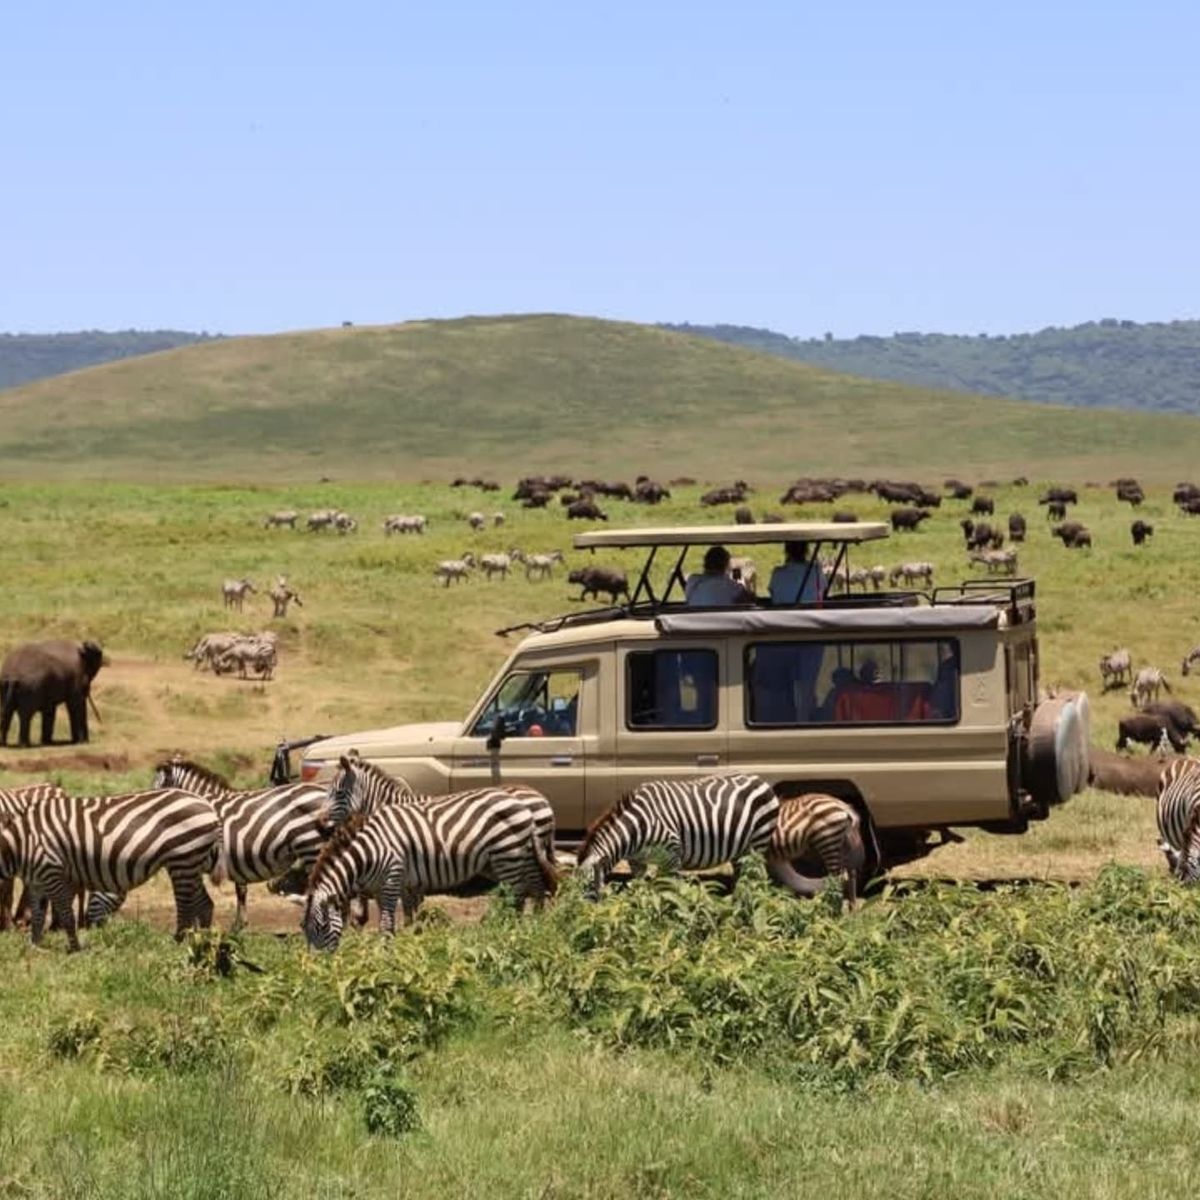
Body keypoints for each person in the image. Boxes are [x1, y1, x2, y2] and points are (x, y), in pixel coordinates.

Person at [684, 546, 751, 606]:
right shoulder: (732, 587)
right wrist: (748, 584)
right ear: (726, 565)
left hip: (695, 619)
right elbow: (750, 604)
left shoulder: (692, 581)